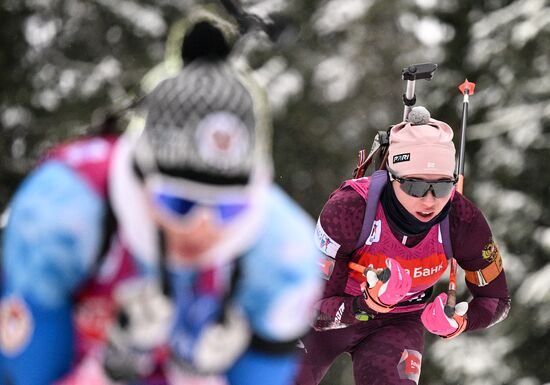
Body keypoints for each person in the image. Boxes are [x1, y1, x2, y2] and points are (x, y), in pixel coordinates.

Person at [0, 6, 322, 385]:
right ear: (137, 181)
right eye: (179, 203)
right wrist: (111, 370)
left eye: (228, 209)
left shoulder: (281, 254)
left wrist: (197, 376)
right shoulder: (63, 212)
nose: (202, 227)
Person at [295, 107, 511, 385]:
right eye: (415, 187)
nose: (429, 201)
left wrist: (461, 322)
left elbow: (497, 300)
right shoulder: (349, 210)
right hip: (328, 319)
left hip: (398, 323)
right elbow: (314, 311)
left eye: (442, 186)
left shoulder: (462, 220)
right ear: (393, 177)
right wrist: (366, 304)